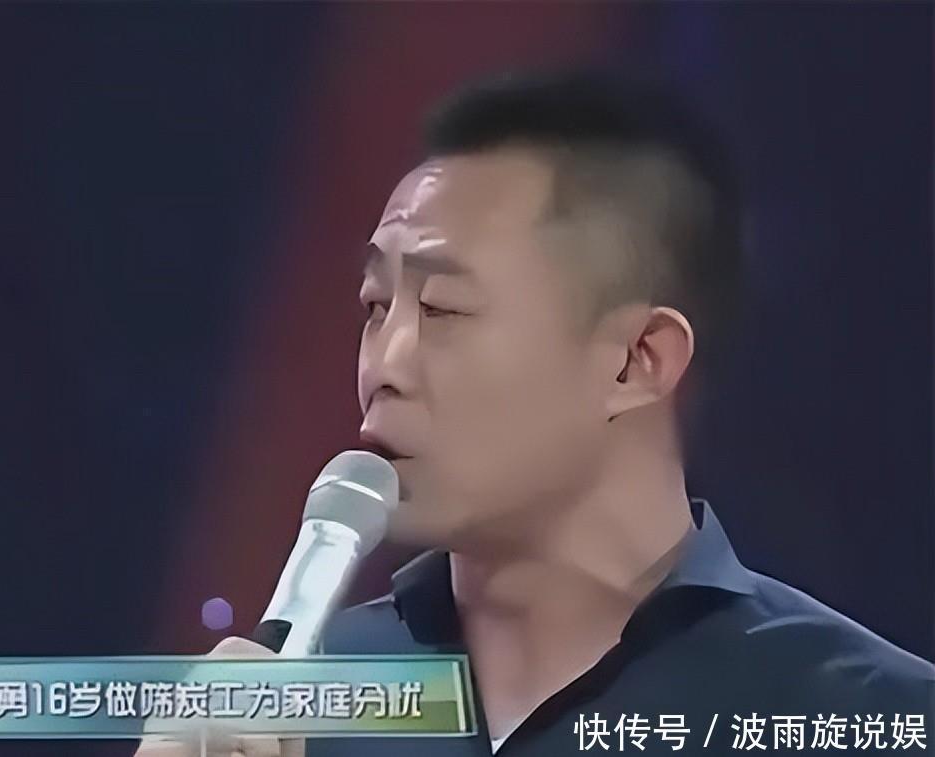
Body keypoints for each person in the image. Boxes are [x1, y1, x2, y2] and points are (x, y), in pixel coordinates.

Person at [137, 70, 934, 757]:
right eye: (376, 306)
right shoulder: (296, 711)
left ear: (636, 360)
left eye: (443, 309)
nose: (383, 365)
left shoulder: (861, 714)